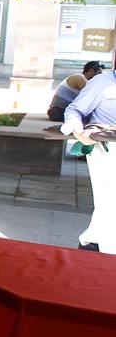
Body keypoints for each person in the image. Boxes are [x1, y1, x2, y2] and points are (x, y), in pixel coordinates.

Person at [62, 64, 116, 253]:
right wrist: (78, 130)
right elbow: (74, 110)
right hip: (107, 150)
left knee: (108, 206)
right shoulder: (102, 82)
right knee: (110, 204)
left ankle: (89, 243)